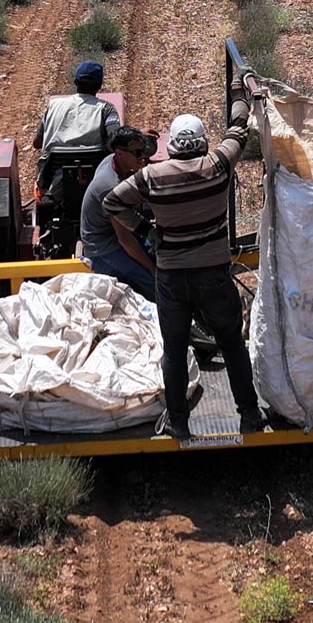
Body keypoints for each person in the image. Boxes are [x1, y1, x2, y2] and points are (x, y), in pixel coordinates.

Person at [101, 100, 265, 438]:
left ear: (171, 146)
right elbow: (239, 129)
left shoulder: (151, 177)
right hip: (213, 275)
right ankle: (249, 416)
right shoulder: (219, 165)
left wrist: (146, 229)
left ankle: (178, 423)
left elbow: (112, 202)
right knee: (232, 345)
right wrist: (239, 94)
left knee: (174, 352)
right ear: (203, 143)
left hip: (172, 277)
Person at [32, 60, 122, 257]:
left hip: (55, 187)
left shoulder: (54, 107)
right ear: (100, 85)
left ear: (75, 81)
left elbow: (37, 142)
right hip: (97, 187)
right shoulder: (106, 110)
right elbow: (117, 140)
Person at [77, 126, 157, 299]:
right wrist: (152, 269)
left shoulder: (111, 160)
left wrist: (138, 136)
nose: (142, 157)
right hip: (103, 248)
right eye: (137, 153)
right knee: (154, 283)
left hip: (116, 233)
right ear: (120, 153)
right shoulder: (111, 188)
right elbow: (125, 240)